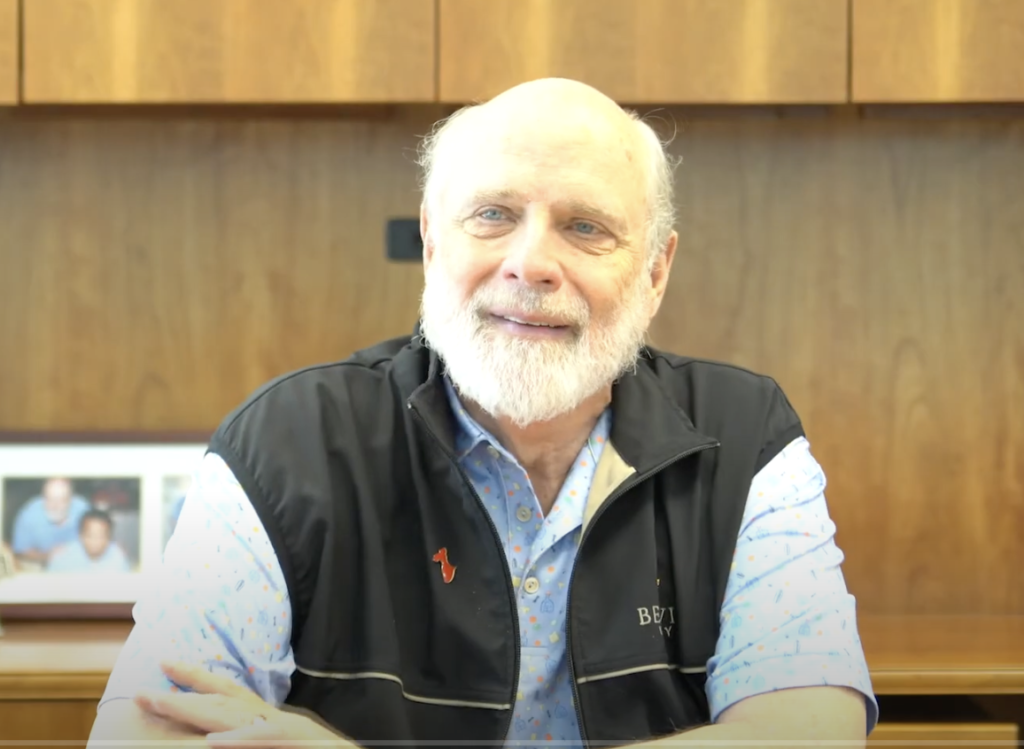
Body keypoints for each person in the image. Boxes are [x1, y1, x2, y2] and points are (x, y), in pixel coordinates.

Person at [89, 78, 878, 748]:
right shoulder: (285, 443)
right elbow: (142, 733)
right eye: (493, 215)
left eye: (585, 226)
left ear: (656, 270)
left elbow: (810, 730)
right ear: (434, 243)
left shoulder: (745, 440)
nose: (530, 263)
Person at [10, 477, 90, 569]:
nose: (55, 506)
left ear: (71, 499)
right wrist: (47, 556)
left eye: (62, 500)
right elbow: (20, 551)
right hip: (42, 561)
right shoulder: (28, 515)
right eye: (49, 499)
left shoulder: (84, 509)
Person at [47, 509, 131, 573]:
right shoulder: (62, 557)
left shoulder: (118, 558)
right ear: (80, 536)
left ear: (109, 538)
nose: (95, 541)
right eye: (89, 535)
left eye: (102, 536)